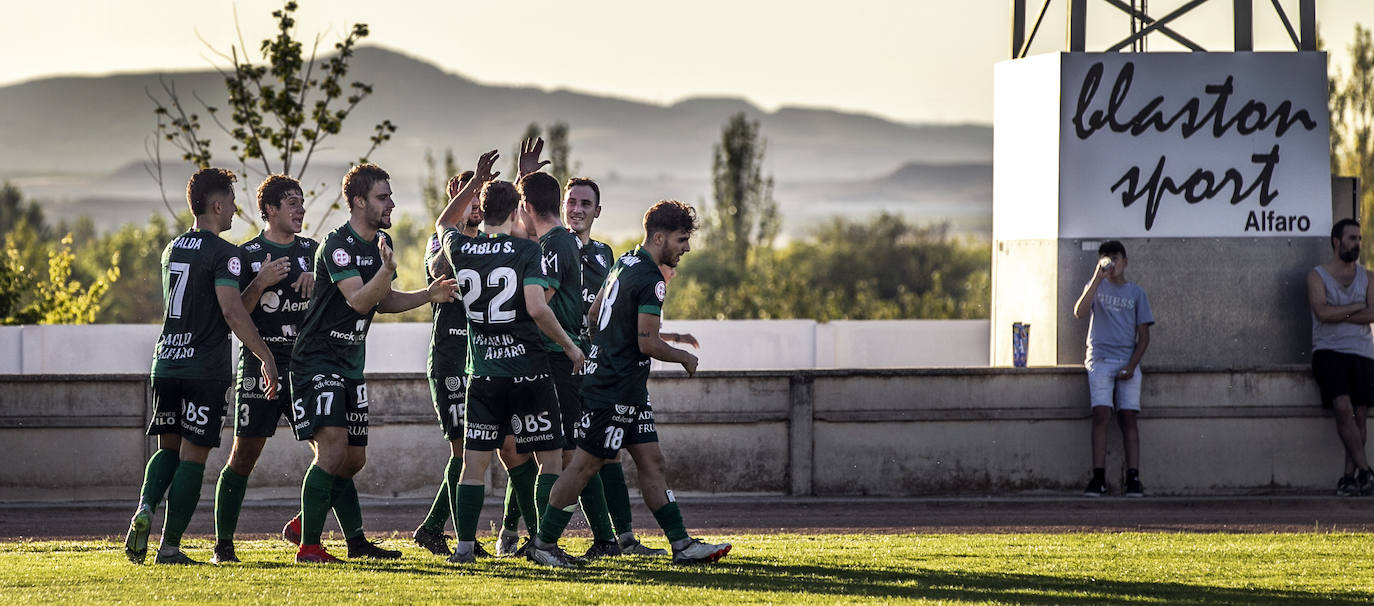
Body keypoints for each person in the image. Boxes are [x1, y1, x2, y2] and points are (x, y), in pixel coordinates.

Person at [527, 200, 731, 567]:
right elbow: (647, 342)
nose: (686, 248)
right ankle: (543, 544)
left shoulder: (626, 261)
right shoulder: (651, 278)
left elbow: (594, 314)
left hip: (626, 387)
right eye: (682, 240)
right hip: (614, 389)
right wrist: (684, 356)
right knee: (584, 466)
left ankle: (682, 545)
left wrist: (603, 352)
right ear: (659, 236)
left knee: (653, 462)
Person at [285, 163, 458, 563]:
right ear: (359, 201)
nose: (391, 204)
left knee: (353, 458)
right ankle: (310, 547)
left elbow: (385, 299)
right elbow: (359, 300)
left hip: (349, 365)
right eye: (383, 197)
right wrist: (387, 269)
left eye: (390, 196)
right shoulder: (338, 245)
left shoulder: (380, 241)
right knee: (331, 451)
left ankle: (305, 525)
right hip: (317, 361)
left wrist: (427, 295)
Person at [433, 149, 586, 564]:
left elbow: (443, 223)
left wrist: (472, 183)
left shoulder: (461, 249)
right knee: (550, 459)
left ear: (480, 212)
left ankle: (464, 548)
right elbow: (537, 308)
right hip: (528, 373)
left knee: (473, 466)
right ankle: (544, 544)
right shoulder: (526, 251)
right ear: (517, 209)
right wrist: (572, 347)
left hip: (481, 374)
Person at [123, 168, 280, 565]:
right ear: (216, 204)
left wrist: (257, 284)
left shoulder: (172, 248)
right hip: (203, 367)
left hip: (167, 362)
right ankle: (170, 546)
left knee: (167, 449)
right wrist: (265, 355)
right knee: (194, 457)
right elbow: (230, 311)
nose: (234, 210)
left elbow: (214, 305)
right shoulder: (224, 253)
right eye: (230, 201)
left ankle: (145, 507)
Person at [209, 175, 317, 564]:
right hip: (259, 367)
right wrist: (260, 282)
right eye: (291, 202)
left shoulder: (313, 251)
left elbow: (338, 299)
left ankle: (339, 538)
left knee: (334, 452)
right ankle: (223, 546)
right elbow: (235, 315)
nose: (300, 208)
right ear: (269, 210)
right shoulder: (246, 254)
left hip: (305, 367)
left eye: (302, 202)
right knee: (243, 456)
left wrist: (317, 281)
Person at [411, 170, 489, 557]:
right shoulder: (437, 243)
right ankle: (452, 536)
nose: (474, 202)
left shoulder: (492, 243)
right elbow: (441, 275)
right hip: (450, 359)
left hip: (483, 361)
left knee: (482, 451)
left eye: (479, 196)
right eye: (467, 196)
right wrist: (452, 228)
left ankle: (434, 529)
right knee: (463, 451)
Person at [1072, 240, 1153, 497]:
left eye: (1116, 259)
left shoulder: (1136, 293)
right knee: (1101, 413)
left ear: (1125, 261)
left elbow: (1144, 337)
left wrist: (1131, 365)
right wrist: (1097, 278)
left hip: (1126, 359)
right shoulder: (1096, 286)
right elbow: (1079, 312)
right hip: (1100, 359)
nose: (1112, 264)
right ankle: (1098, 478)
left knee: (1128, 416)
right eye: (1107, 259)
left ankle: (1133, 478)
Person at [1307, 218, 1374, 496]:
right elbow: (1321, 313)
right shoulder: (1317, 276)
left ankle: (1349, 477)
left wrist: (1341, 313)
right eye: (1351, 239)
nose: (1356, 244)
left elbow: (1373, 314)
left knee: (1360, 415)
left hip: (1362, 351)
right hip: (1328, 351)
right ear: (1337, 241)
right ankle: (1367, 471)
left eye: (1359, 239)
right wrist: (1354, 309)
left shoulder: (1369, 277)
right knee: (1343, 407)